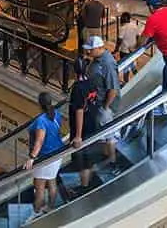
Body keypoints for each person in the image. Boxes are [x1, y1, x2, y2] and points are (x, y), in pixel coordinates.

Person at [23, 91, 65, 219]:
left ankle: (36, 212)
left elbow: (39, 141)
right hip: (57, 153)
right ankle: (50, 207)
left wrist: (31, 158)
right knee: (52, 181)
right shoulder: (56, 114)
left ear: (39, 104)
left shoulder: (41, 120)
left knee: (39, 186)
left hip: (45, 157)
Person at [83, 35, 119, 170]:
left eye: (90, 50)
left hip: (105, 105)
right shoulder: (97, 60)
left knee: (109, 134)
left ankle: (113, 162)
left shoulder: (107, 64)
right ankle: (106, 157)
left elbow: (113, 88)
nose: (88, 52)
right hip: (97, 102)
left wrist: (106, 106)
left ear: (98, 48)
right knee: (103, 133)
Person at [68, 56, 100, 195]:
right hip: (92, 123)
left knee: (82, 158)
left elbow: (79, 111)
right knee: (90, 156)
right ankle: (89, 181)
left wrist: (78, 136)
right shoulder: (92, 83)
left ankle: (85, 186)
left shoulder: (77, 88)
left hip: (83, 128)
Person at [116, 12, 140, 82]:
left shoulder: (123, 28)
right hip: (133, 51)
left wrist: (116, 49)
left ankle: (126, 82)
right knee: (133, 65)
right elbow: (138, 36)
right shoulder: (134, 25)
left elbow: (119, 40)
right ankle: (138, 79)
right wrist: (136, 47)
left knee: (125, 68)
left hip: (124, 51)